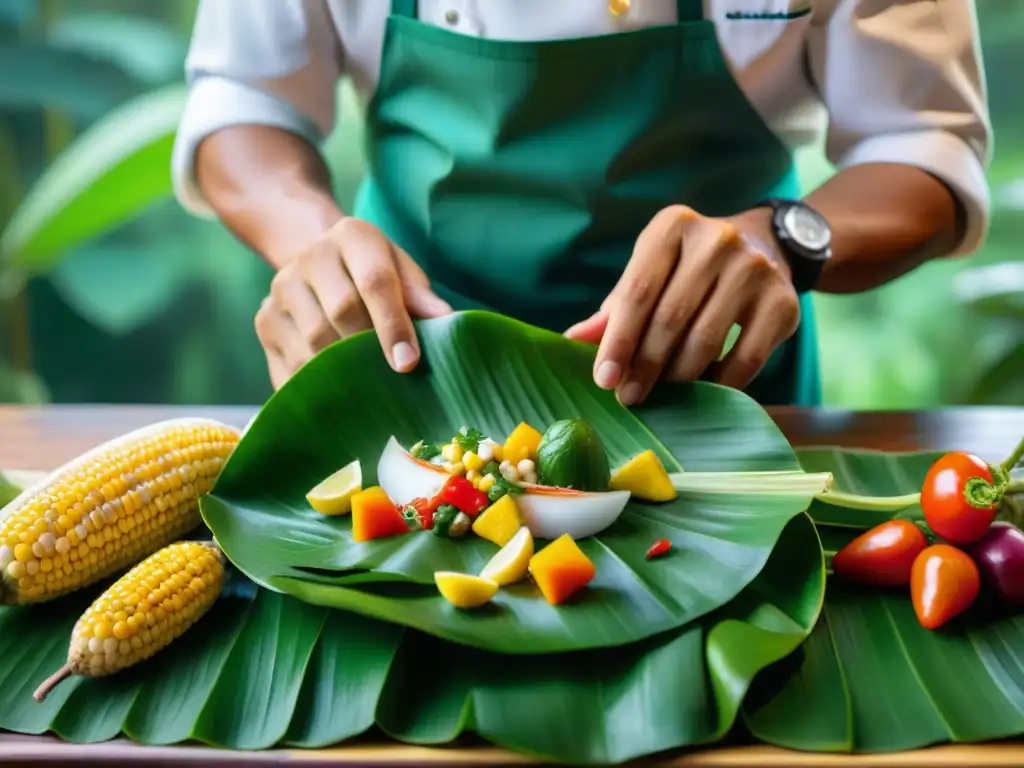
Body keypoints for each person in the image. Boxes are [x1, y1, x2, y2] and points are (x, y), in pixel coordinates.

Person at [172, 0, 991, 407]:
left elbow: (919, 146)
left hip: (715, 379)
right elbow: (247, 99)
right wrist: (310, 238)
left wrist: (787, 240)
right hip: (409, 366)